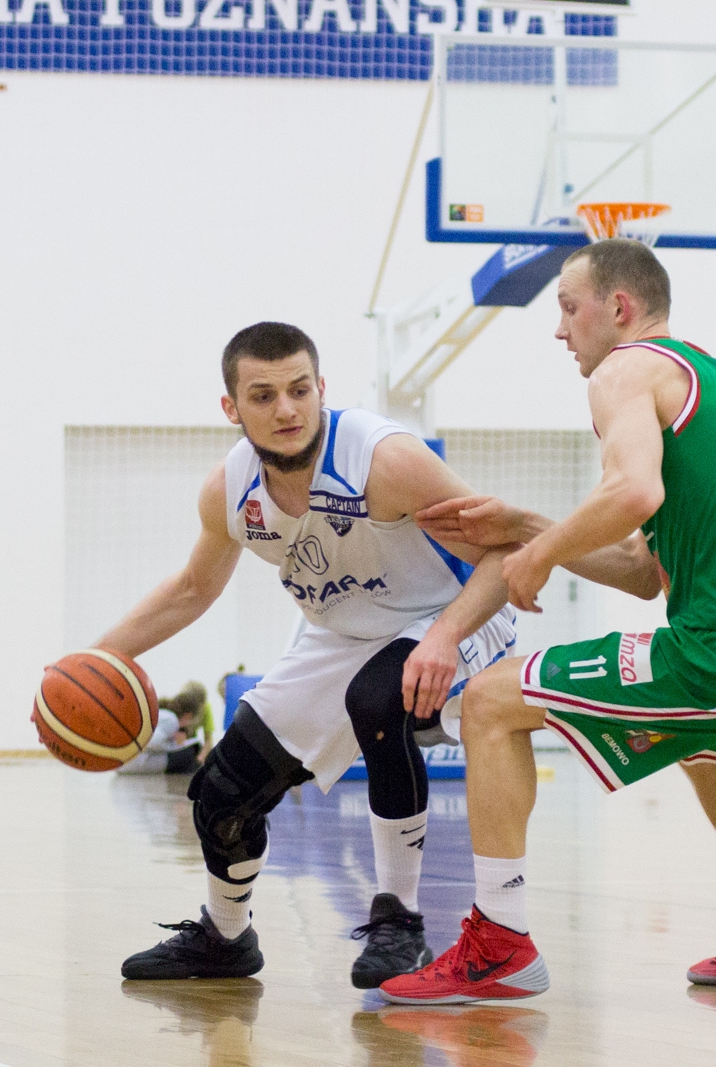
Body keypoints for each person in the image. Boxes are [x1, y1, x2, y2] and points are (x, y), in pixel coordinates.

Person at [380, 239, 716, 1004]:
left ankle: (499, 943)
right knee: (706, 742)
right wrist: (527, 527)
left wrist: (540, 555)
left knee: (488, 701)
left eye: (568, 307)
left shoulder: (625, 370)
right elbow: (642, 570)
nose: (560, 329)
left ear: (619, 307)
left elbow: (633, 493)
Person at [94, 321, 518, 986]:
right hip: (342, 635)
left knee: (377, 700)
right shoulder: (230, 490)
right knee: (221, 791)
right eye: (263, 395)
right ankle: (226, 939)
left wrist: (443, 637)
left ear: (322, 388)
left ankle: (400, 922)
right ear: (232, 408)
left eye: (299, 389)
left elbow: (503, 554)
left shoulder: (385, 460)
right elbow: (193, 589)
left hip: (451, 614)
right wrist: (93, 659)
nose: (286, 409)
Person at [117, 681, 210, 775]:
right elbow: (151, 743)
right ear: (189, 716)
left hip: (124, 762)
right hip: (136, 763)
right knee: (193, 749)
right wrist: (173, 744)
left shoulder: (163, 714)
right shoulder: (172, 720)